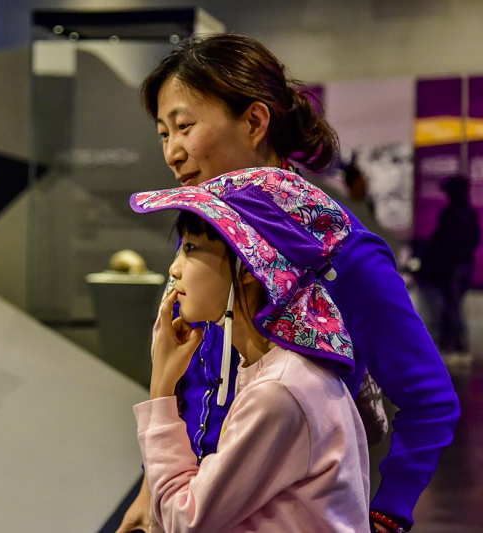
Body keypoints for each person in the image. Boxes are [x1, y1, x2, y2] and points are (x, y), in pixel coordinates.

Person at [116, 34, 459, 533]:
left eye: (185, 126)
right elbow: (191, 382)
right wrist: (153, 490)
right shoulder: (209, 241)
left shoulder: (340, 252)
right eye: (163, 133)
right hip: (195, 503)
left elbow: (429, 400)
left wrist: (388, 512)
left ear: (255, 122)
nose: (172, 152)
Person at [130, 167, 369, 532]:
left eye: (191, 248)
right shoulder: (276, 370)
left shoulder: (278, 391)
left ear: (248, 266)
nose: (174, 269)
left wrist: (162, 390)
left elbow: (185, 520)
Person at [419, 175, 481, 354]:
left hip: (455, 266)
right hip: (458, 265)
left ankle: (456, 343)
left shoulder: (456, 215)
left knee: (452, 306)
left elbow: (444, 239)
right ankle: (453, 342)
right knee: (452, 305)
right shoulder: (464, 214)